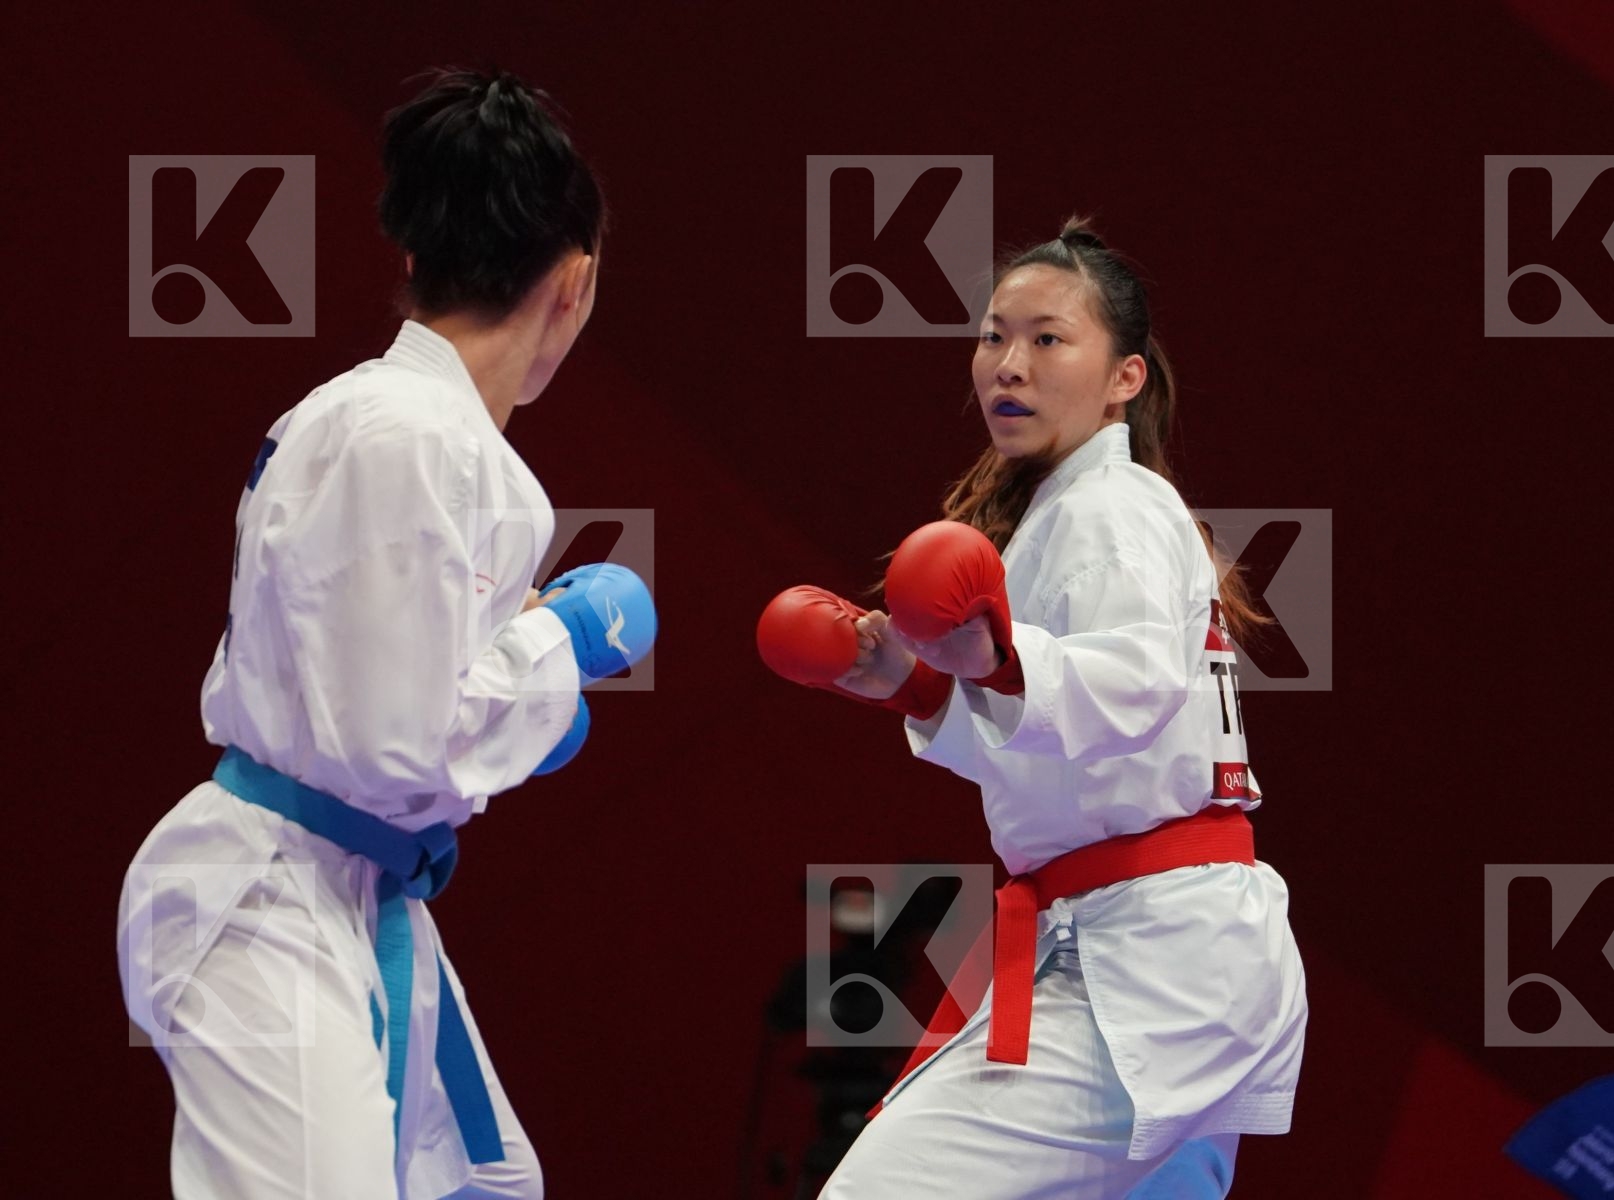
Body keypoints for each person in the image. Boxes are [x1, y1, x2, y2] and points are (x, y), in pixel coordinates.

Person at [116, 67, 653, 1199]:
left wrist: (529, 678)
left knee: (490, 1183)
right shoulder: (409, 437)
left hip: (347, 885)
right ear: (576, 285)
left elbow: (399, 709)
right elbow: (397, 746)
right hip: (267, 894)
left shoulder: (403, 426)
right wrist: (562, 646)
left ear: (412, 260)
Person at [758, 220, 1306, 1198]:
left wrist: (994, 658)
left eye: (1047, 339)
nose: (1008, 364)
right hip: (1177, 956)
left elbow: (1131, 688)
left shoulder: (1111, 507)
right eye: (991, 336)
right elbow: (1067, 745)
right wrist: (916, 683)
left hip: (1150, 965)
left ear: (1124, 378)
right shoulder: (1075, 514)